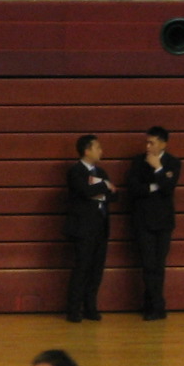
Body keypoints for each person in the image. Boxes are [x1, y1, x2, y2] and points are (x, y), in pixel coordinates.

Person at [126, 125, 182, 320]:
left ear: (163, 144)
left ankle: (152, 304)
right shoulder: (138, 162)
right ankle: (156, 306)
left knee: (159, 265)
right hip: (143, 221)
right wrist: (153, 186)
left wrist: (158, 168)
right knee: (148, 265)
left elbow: (168, 188)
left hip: (164, 222)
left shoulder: (173, 163)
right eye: (147, 142)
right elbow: (133, 188)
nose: (148, 146)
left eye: (152, 143)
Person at [64, 133, 114, 322]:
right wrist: (104, 187)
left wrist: (101, 189)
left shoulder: (101, 172)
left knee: (96, 270)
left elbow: (114, 195)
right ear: (87, 150)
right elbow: (85, 191)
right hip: (83, 228)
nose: (101, 151)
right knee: (82, 268)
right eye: (97, 147)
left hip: (101, 227)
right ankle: (73, 309)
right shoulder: (75, 171)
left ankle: (90, 307)